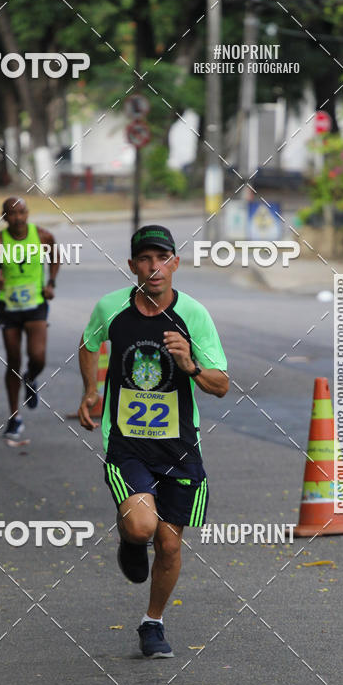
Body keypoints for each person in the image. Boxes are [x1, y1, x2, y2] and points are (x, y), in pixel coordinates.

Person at [78, 225, 228, 658]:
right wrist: (92, 390)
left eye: (162, 258)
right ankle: (130, 537)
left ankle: (153, 622)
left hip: (179, 447)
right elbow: (89, 344)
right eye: (145, 259)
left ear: (175, 264)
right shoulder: (112, 308)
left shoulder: (193, 316)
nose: (154, 267)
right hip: (127, 445)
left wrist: (189, 364)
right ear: (132, 266)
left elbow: (221, 385)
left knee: (168, 543)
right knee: (144, 527)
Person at [0, 196, 59, 440]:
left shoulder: (44, 236)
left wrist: (50, 283)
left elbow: (55, 258)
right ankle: (15, 417)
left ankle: (31, 377)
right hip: (10, 308)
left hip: (36, 305)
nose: (17, 218)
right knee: (13, 359)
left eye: (22, 212)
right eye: (12, 214)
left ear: (28, 214)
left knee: (38, 357)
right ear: (4, 217)